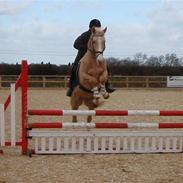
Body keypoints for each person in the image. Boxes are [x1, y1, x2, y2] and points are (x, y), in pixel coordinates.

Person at [67, 19, 115, 97]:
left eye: (98, 27)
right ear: (91, 27)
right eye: (96, 27)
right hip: (82, 55)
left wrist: (99, 50)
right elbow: (75, 44)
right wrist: (87, 48)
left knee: (106, 67)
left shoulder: (100, 35)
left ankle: (107, 85)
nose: (97, 28)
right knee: (74, 68)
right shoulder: (85, 35)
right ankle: (71, 87)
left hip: (97, 56)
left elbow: (103, 46)